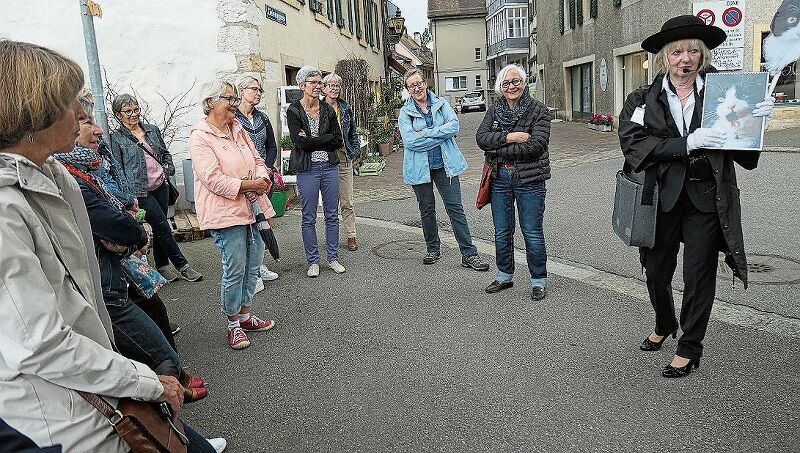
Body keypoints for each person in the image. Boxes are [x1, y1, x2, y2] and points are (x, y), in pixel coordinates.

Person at [0, 39, 223, 453]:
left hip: (100, 392)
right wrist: (143, 380)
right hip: (62, 420)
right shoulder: (6, 206)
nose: (84, 114)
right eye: (71, 103)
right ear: (34, 110)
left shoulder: (51, 174)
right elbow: (40, 344)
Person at [618, 16, 775, 378]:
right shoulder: (643, 98)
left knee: (698, 273)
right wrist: (687, 142)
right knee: (656, 270)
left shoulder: (727, 91)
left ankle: (689, 347)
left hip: (707, 195)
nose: (684, 58)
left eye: (692, 51)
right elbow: (633, 145)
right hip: (662, 196)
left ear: (702, 56)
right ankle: (664, 321)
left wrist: (755, 123)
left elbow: (747, 157)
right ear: (664, 58)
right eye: (676, 52)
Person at [189, 79, 277, 350]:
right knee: (235, 267)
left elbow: (259, 161)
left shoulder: (237, 129)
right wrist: (249, 185)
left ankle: (247, 315)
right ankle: (233, 324)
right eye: (229, 99)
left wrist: (261, 178)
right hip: (225, 213)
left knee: (253, 266)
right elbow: (212, 179)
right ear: (210, 103)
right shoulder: (200, 136)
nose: (235, 105)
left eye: (236, 99)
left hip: (253, 206)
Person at [397, 69, 489, 271]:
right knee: (427, 209)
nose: (417, 88)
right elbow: (410, 142)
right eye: (412, 86)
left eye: (419, 83)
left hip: (446, 166)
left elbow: (454, 126)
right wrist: (439, 134)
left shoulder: (441, 104)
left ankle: (469, 254)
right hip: (419, 169)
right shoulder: (405, 113)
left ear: (425, 83)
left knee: (455, 209)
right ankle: (432, 248)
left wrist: (427, 133)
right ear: (408, 90)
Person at [476, 64, 552, 301]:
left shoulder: (538, 110)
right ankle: (504, 275)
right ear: (500, 87)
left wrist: (497, 148)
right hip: (500, 179)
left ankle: (538, 279)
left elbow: (535, 146)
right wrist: (509, 137)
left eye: (516, 81)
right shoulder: (494, 110)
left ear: (524, 83)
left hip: (530, 179)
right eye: (506, 83)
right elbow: (481, 138)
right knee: (502, 231)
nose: (512, 87)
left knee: (532, 231)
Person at [110, 93, 203, 283]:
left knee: (161, 227)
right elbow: (117, 168)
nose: (133, 114)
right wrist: (126, 197)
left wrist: (168, 167)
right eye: (128, 111)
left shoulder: (152, 130)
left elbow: (165, 153)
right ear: (119, 115)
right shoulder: (117, 139)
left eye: (136, 110)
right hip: (140, 191)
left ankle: (162, 266)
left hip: (161, 185)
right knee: (162, 226)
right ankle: (182, 266)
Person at [287, 66, 346, 277]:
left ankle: (333, 258)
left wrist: (312, 140)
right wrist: (323, 140)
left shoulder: (328, 110)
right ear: (302, 85)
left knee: (332, 215)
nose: (318, 86)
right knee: (308, 217)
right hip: (308, 169)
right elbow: (300, 144)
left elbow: (337, 139)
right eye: (314, 82)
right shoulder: (294, 111)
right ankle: (313, 261)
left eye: (320, 82)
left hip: (329, 167)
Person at [235, 74, 280, 282]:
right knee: (248, 223)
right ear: (242, 91)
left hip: (264, 178)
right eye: (254, 89)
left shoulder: (262, 117)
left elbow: (272, 146)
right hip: (244, 180)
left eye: (260, 90)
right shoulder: (233, 118)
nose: (258, 93)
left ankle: (259, 264)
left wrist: (268, 167)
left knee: (263, 221)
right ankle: (250, 270)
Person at [322, 73, 362, 252]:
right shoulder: (318, 107)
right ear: (324, 88)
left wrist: (354, 151)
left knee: (347, 200)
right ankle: (331, 238)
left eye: (337, 85)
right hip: (326, 158)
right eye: (331, 85)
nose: (334, 88)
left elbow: (352, 131)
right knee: (330, 203)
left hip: (344, 157)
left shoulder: (345, 107)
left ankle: (351, 235)